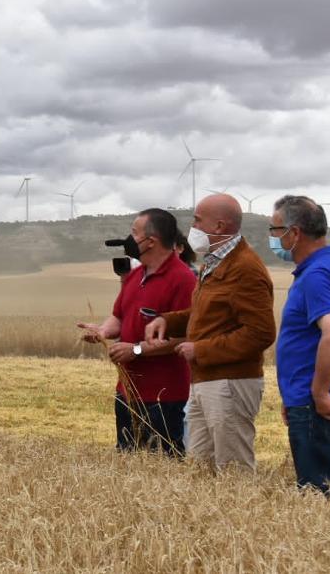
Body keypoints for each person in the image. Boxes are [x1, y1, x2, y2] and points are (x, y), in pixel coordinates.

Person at [144, 193, 276, 470]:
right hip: (207, 379)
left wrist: (200, 349)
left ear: (219, 227)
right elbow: (206, 314)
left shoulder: (245, 268)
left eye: (197, 220)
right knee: (200, 469)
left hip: (230, 382)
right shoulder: (215, 262)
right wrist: (167, 321)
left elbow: (260, 333)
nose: (192, 226)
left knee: (232, 470)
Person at [79, 209, 195, 455]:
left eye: (134, 234)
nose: (130, 240)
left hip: (165, 396)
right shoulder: (134, 276)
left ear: (150, 241)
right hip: (127, 391)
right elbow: (119, 316)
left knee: (164, 465)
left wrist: (137, 350)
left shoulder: (183, 280)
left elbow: (186, 335)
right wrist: (101, 331)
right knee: (128, 463)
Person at [270, 195, 330, 493]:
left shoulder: (317, 275)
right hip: (320, 401)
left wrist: (316, 393)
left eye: (275, 230)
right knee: (328, 497)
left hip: (319, 406)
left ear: (294, 233)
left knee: (319, 497)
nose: (272, 237)